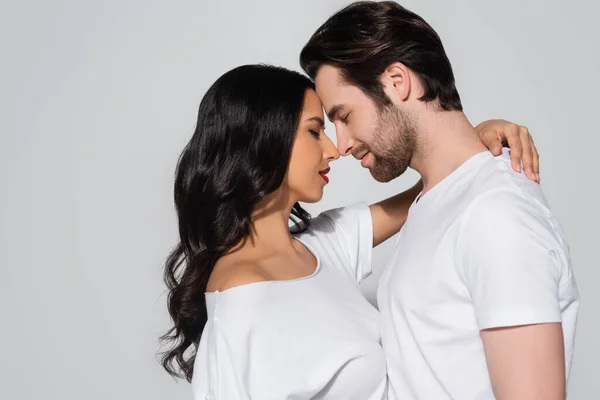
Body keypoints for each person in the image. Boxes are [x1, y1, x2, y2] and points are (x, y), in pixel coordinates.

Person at [160, 64, 539, 399]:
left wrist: (473, 141)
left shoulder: (323, 246)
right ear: (265, 139)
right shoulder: (242, 301)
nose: (333, 149)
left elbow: (430, 190)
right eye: (315, 131)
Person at [300, 2, 579, 399]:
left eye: (344, 116)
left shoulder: (495, 211)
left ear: (397, 81)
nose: (341, 145)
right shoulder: (436, 203)